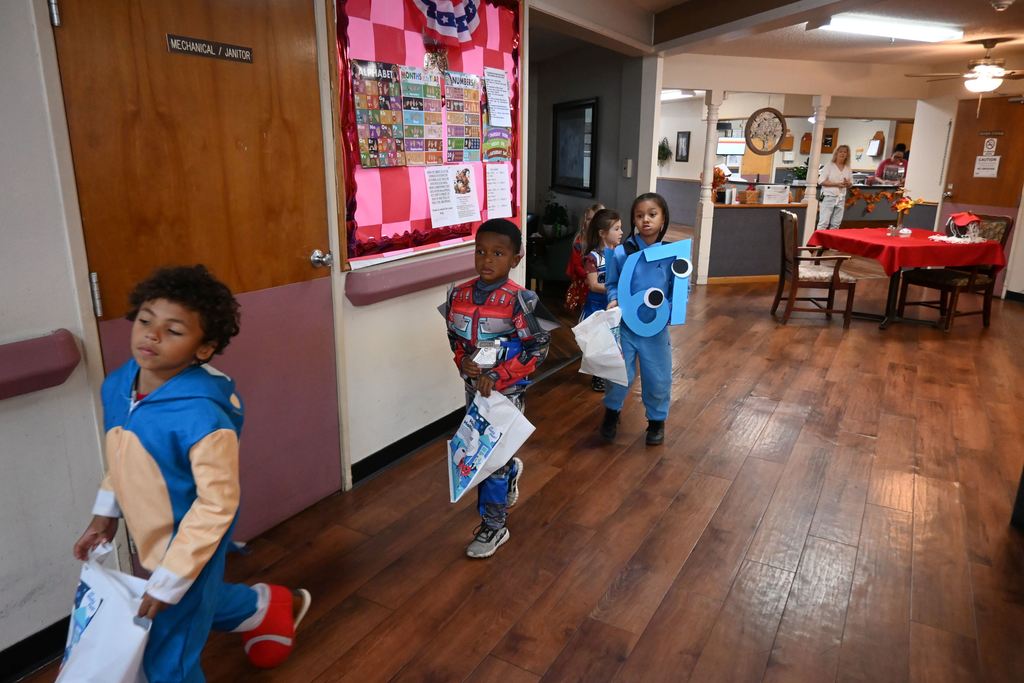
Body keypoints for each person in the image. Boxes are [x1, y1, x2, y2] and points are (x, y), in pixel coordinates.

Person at [72, 265, 311, 683]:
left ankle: (234, 608)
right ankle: (264, 607)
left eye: (174, 330)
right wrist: (105, 512)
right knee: (194, 602)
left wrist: (170, 579)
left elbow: (217, 505)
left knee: (169, 654)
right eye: (146, 320)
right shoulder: (118, 385)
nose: (151, 335)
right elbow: (123, 453)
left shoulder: (202, 417)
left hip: (190, 546)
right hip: (153, 538)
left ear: (203, 349)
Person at [444, 219, 550, 558]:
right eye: (480, 252)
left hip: (507, 394)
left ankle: (494, 526)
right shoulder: (457, 295)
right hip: (472, 391)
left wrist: (501, 375)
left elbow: (539, 348)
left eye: (498, 253)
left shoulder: (523, 300)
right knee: (480, 451)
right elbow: (455, 339)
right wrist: (463, 362)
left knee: (490, 458)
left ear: (515, 259)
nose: (487, 260)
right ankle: (510, 469)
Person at [599, 193, 678, 446]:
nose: (646, 220)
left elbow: (679, 289)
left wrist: (675, 309)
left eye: (652, 214)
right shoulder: (622, 252)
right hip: (626, 326)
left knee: (658, 376)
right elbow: (611, 283)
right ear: (633, 219)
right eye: (640, 215)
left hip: (656, 328)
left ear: (663, 218)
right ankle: (611, 413)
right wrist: (612, 298)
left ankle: (657, 421)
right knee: (619, 374)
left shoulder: (672, 254)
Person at [579, 208, 624, 392]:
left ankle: (611, 372)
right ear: (602, 233)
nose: (621, 232)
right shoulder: (593, 257)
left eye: (621, 228)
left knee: (614, 341)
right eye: (616, 229)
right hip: (597, 307)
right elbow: (594, 284)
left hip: (613, 305)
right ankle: (598, 376)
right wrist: (615, 288)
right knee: (599, 343)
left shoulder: (620, 253)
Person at [565, 202, 605, 313]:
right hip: (583, 283)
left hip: (600, 283)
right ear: (584, 222)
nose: (592, 222)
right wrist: (590, 276)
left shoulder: (605, 243)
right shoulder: (579, 242)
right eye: (589, 219)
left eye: (595, 219)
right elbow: (577, 266)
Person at [817, 144, 854, 229]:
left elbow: (851, 183)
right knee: (823, 223)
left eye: (845, 152)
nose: (842, 154)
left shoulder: (848, 168)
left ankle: (831, 242)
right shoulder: (829, 165)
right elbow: (821, 181)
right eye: (840, 151)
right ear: (836, 153)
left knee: (836, 224)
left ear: (847, 154)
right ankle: (817, 242)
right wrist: (836, 184)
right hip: (828, 197)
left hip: (841, 198)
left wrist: (848, 183)